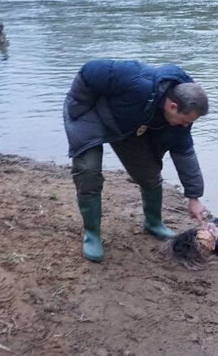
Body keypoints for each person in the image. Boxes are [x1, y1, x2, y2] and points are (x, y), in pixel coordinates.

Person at [63, 58, 209, 262]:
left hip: (129, 127)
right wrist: (78, 106)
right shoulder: (137, 80)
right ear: (173, 107)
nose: (187, 126)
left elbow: (184, 153)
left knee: (148, 173)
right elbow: (89, 70)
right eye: (186, 121)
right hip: (90, 113)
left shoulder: (184, 114)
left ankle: (153, 222)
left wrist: (194, 196)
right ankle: (92, 235)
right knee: (88, 171)